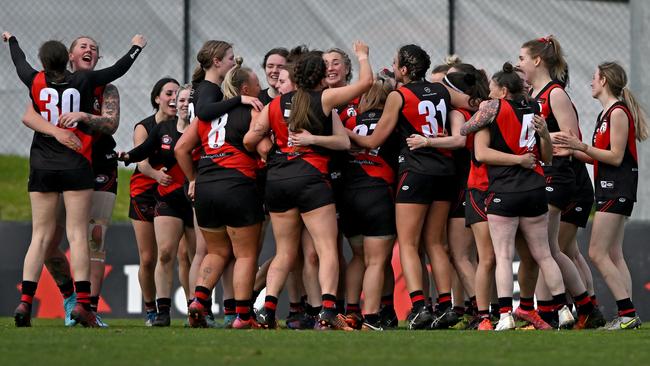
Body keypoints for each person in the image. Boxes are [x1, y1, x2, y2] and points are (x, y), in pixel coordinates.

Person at [4, 31, 145, 327]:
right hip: (76, 163)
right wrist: (135, 48)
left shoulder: (37, 81)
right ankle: (80, 303)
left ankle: (25, 303)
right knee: (76, 235)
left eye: (94, 47)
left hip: (45, 165)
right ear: (68, 57)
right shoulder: (82, 82)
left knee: (42, 236)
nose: (89, 49)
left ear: (44, 63)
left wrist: (12, 40)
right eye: (83, 46)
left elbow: (20, 64)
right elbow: (119, 68)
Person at [244, 42, 372, 330]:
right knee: (327, 248)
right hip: (311, 178)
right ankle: (327, 310)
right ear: (319, 75)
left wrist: (270, 147)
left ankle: (267, 309)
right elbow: (366, 82)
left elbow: (249, 140)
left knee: (285, 251)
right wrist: (362, 55)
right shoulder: (323, 99)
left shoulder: (275, 104)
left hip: (278, 180)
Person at [348, 44, 470, 330]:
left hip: (415, 172)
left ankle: (418, 306)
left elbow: (374, 140)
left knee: (409, 244)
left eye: (395, 63)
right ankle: (444, 306)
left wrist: (344, 133)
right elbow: (472, 102)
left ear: (404, 70)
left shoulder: (398, 95)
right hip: (444, 172)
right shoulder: (441, 90)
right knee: (436, 244)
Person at [466, 62, 573, 331]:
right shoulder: (535, 109)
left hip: (504, 189)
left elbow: (479, 151)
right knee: (544, 254)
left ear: (503, 91)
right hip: (536, 188)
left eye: (492, 88)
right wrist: (544, 135)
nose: (488, 93)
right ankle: (562, 309)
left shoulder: (491, 109)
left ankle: (504, 315)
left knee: (502, 256)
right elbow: (546, 158)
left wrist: (515, 158)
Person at [554, 61, 646, 330]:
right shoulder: (605, 114)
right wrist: (572, 151)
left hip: (617, 187)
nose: (591, 82)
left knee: (597, 252)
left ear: (604, 80)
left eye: (594, 77)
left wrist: (580, 146)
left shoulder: (617, 112)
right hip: (610, 186)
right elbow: (599, 158)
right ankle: (627, 313)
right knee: (614, 254)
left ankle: (627, 314)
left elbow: (615, 157)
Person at [176, 60, 265, 329]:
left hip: (206, 187)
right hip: (238, 185)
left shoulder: (206, 116)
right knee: (245, 255)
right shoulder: (251, 109)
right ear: (246, 88)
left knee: (215, 251)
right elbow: (262, 148)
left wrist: (193, 178)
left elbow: (180, 149)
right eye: (257, 84)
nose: (260, 89)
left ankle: (198, 301)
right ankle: (242, 316)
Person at [518, 35, 595, 326]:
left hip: (559, 177)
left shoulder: (555, 94)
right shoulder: (535, 96)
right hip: (544, 176)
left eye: (523, 58)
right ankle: (581, 308)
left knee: (549, 249)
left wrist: (550, 141)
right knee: (551, 249)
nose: (519, 64)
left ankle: (578, 308)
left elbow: (573, 140)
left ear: (537, 60)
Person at [121, 83, 195, 327]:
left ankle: (197, 309)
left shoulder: (200, 128)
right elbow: (142, 154)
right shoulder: (156, 127)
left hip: (191, 197)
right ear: (157, 99)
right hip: (158, 195)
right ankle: (157, 311)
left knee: (191, 256)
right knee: (157, 255)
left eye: (183, 98)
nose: (178, 101)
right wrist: (128, 157)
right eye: (174, 96)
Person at [340, 70, 398, 330]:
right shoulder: (392, 121)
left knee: (358, 257)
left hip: (349, 193)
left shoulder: (351, 122)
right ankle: (372, 317)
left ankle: (351, 313)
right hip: (377, 192)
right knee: (377, 261)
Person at [128, 77, 180, 325]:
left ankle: (184, 309)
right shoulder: (145, 127)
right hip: (145, 191)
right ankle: (151, 309)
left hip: (172, 193)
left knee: (171, 253)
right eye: (168, 93)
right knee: (148, 257)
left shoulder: (184, 126)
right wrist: (157, 175)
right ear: (157, 98)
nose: (173, 98)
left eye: (177, 94)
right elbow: (141, 162)